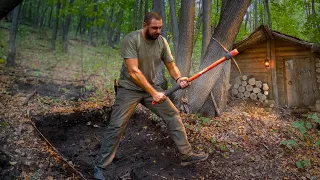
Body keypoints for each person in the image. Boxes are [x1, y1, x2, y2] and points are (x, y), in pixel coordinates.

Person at [94, 12, 208, 180]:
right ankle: (100, 166)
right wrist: (153, 92)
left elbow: (171, 65)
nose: (158, 31)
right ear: (145, 25)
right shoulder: (132, 40)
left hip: (151, 87)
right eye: (154, 28)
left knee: (172, 114)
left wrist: (179, 78)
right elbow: (133, 71)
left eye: (160, 27)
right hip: (129, 89)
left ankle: (186, 155)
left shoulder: (161, 42)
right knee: (117, 125)